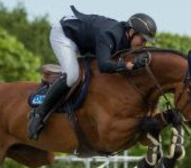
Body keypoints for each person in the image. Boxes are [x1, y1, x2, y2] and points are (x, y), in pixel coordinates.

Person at [28, 6, 157, 140]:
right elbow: (104, 65)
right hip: (64, 34)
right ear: (131, 32)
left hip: (84, 40)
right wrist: (129, 65)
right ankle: (39, 114)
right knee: (72, 76)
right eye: (142, 39)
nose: (144, 43)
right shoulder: (110, 34)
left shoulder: (124, 39)